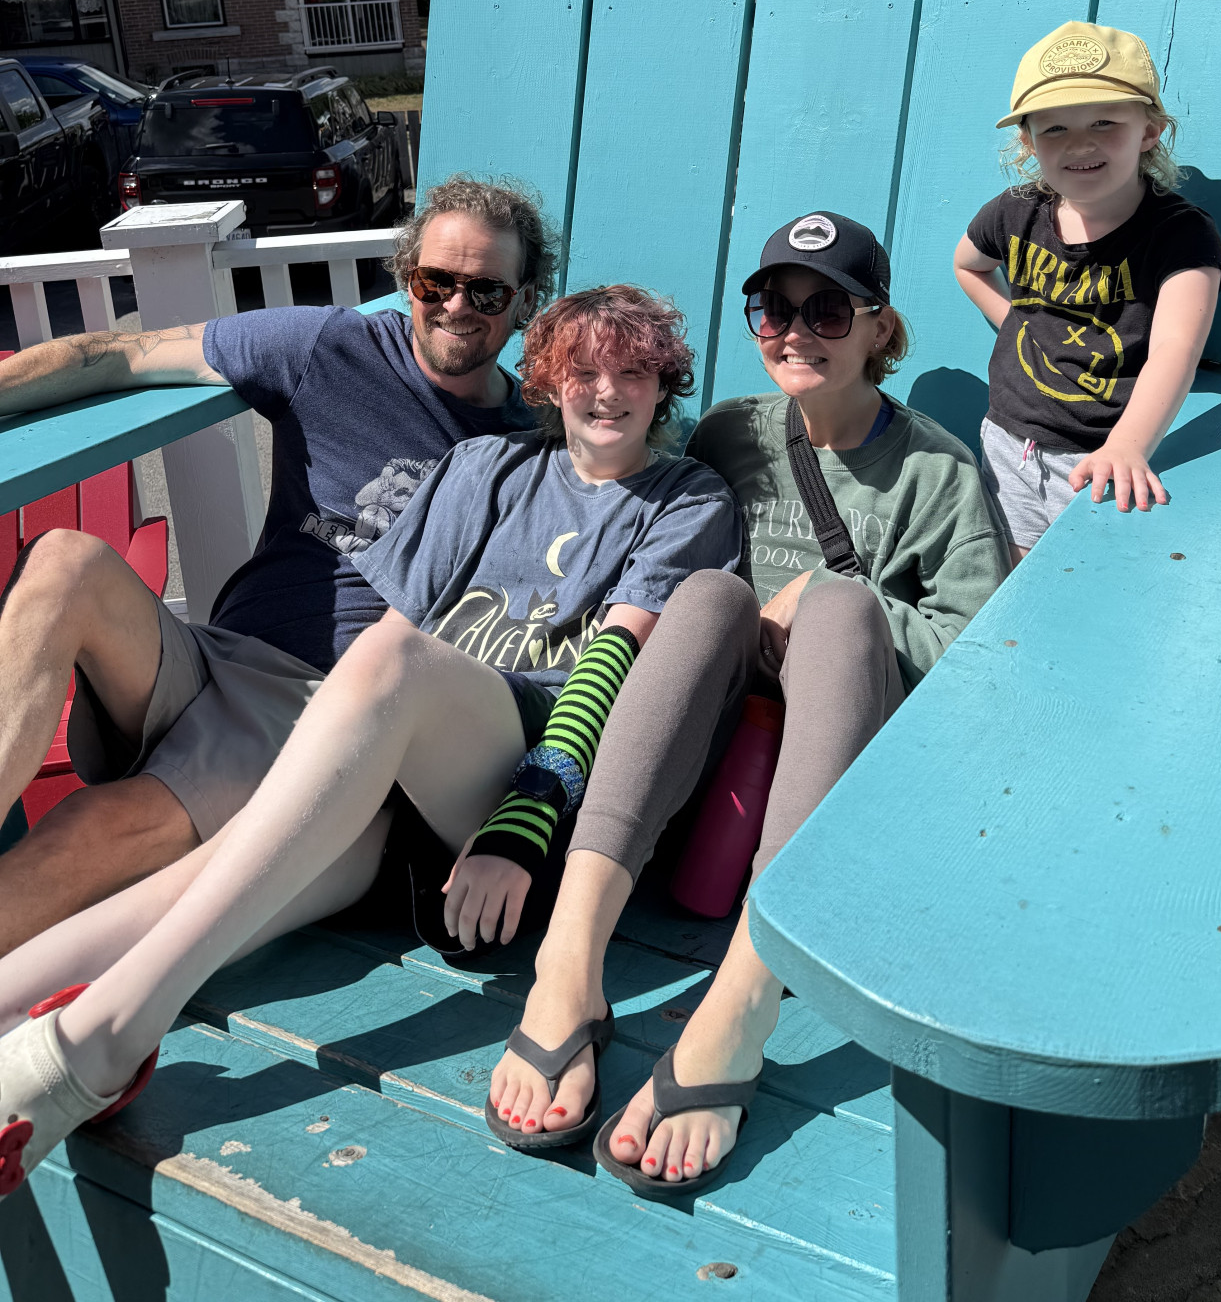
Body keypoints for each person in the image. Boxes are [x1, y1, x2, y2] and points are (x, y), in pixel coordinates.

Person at [0, 286, 742, 1195]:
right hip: (401, 816)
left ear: (664, 385)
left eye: (633, 372)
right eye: (583, 370)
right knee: (207, 886)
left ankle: (111, 1035)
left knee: (391, 666)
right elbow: (400, 624)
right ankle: (47, 1039)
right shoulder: (484, 466)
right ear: (548, 380)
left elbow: (610, 671)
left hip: (524, 789)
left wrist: (523, 823)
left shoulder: (684, 499)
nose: (607, 391)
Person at [481, 211, 1012, 1194]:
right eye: (775, 308)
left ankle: (744, 999)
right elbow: (629, 494)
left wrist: (832, 597)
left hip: (840, 794)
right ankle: (569, 959)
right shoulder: (731, 431)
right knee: (708, 594)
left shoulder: (936, 472)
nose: (797, 331)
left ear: (880, 327)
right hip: (707, 777)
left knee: (843, 606)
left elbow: (981, 659)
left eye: (828, 310)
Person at [0, 173, 552, 955]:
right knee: (64, 560)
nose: (456, 306)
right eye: (436, 282)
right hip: (214, 657)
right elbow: (114, 354)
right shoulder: (330, 347)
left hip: (319, 712)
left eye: (487, 291)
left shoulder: (541, 447)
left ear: (524, 302)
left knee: (98, 824)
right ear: (408, 279)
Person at [952, 21, 1221, 559]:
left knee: (1093, 577)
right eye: (1054, 128)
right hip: (1009, 441)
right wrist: (1015, 323)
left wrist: (1128, 446)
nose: (1080, 143)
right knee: (1014, 574)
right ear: (1028, 141)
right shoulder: (1015, 212)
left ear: (1149, 131)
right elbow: (968, 265)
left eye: (1104, 121)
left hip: (1107, 456)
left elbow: (1176, 348)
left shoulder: (1180, 234)